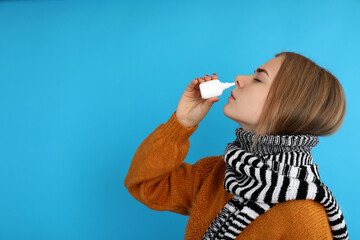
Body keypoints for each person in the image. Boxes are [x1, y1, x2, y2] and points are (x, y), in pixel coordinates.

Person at [124, 51, 349, 240]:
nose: (240, 77)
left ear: (288, 106)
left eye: (258, 79)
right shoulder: (218, 173)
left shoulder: (304, 218)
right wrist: (182, 123)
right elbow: (147, 184)